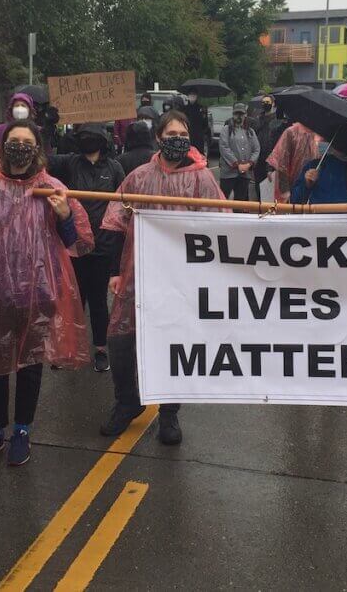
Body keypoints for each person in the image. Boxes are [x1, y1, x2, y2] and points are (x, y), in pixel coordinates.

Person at [0, 119, 94, 467]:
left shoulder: (51, 189)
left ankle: (21, 430)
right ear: (3, 147)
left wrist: (64, 214)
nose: (20, 147)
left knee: (30, 364)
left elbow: (76, 242)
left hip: (38, 292)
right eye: (14, 141)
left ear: (37, 149)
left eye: (27, 142)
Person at [100, 110, 224, 445]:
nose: (177, 140)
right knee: (121, 340)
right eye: (171, 135)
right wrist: (114, 271)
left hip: (181, 278)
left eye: (183, 135)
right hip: (136, 272)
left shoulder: (202, 180)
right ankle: (127, 402)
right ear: (158, 138)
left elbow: (220, 226)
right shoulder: (139, 177)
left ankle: (169, 412)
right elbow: (115, 222)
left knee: (174, 342)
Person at [47, 123, 125, 373]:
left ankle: (100, 349)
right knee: (73, 299)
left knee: (99, 301)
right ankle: (69, 348)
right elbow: (42, 163)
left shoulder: (114, 168)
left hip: (103, 247)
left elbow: (124, 203)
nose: (88, 140)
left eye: (92, 136)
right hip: (74, 245)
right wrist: (46, 128)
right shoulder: (70, 163)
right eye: (83, 136)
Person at [266, 121, 319, 202]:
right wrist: (285, 193)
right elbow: (281, 164)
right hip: (290, 189)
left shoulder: (315, 136)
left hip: (306, 189)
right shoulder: (291, 132)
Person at [218, 103, 260, 203]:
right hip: (228, 173)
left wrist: (249, 164)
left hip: (245, 173)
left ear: (245, 115)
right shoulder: (226, 129)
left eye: (241, 114)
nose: (239, 116)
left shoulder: (250, 131)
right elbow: (224, 147)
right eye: (237, 114)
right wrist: (237, 164)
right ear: (233, 114)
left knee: (240, 202)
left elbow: (256, 149)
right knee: (223, 201)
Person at [252, 95, 283, 201]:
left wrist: (272, 165)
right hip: (258, 158)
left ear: (273, 103)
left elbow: (278, 143)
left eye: (267, 102)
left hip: (271, 159)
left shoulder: (277, 121)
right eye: (263, 102)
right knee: (258, 187)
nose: (265, 104)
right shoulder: (257, 120)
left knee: (270, 190)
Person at [118, 108, 158, 175]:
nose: (144, 120)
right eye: (141, 118)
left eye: (147, 118)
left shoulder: (159, 140)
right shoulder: (157, 157)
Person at [182, 92, 212, 156]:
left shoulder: (201, 108)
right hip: (187, 136)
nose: (192, 97)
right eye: (190, 95)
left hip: (198, 137)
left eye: (194, 95)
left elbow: (205, 125)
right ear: (188, 96)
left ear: (196, 96)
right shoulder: (184, 109)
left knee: (198, 155)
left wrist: (204, 114)